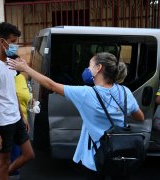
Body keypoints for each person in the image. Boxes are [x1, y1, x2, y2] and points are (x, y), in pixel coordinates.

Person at [8, 52, 145, 179]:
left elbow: (51, 85)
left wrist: (26, 68)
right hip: (120, 156)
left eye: (90, 65)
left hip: (95, 160)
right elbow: (140, 117)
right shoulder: (125, 91)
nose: (87, 69)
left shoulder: (86, 94)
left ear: (99, 68)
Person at [0, 22, 35, 180]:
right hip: (4, 123)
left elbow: (12, 93)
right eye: (12, 41)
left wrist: (21, 115)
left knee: (29, 155)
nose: (16, 45)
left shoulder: (9, 62)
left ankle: (1, 177)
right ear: (2, 42)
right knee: (4, 162)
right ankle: (3, 175)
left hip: (16, 118)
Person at [9, 73, 31, 179]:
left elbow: (21, 97)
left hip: (22, 121)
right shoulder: (6, 77)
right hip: (11, 122)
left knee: (24, 155)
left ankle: (3, 175)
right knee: (15, 156)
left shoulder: (21, 77)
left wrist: (32, 100)